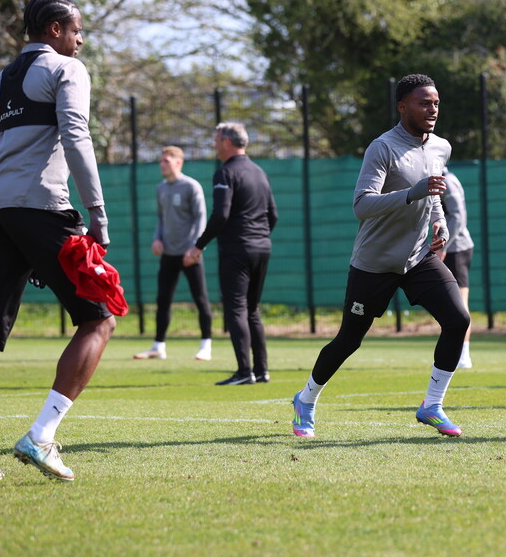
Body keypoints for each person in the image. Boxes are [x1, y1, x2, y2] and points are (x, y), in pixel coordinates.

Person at [0, 0, 116, 483]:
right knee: (100, 317)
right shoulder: (68, 69)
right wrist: (97, 210)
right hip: (41, 205)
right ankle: (41, 435)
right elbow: (76, 134)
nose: (81, 38)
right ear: (54, 29)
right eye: (76, 30)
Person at [290, 74, 470, 438]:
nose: (432, 109)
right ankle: (306, 399)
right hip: (375, 262)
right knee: (349, 340)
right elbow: (361, 205)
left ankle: (431, 405)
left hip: (418, 257)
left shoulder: (441, 147)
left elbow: (433, 192)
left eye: (435, 102)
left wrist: (440, 223)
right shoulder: (382, 147)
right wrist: (411, 192)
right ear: (402, 106)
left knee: (458, 319)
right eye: (423, 102)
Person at [184, 123, 277, 386]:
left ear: (226, 141)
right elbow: (274, 215)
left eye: (216, 139)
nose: (214, 145)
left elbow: (221, 215)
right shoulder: (259, 172)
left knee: (236, 309)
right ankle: (261, 371)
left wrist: (198, 245)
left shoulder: (225, 173)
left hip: (237, 249)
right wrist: (259, 237)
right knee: (252, 310)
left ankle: (244, 372)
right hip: (262, 247)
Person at [134, 146, 214, 361]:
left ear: (178, 163)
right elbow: (161, 218)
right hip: (168, 253)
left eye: (166, 161)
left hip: (189, 254)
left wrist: (195, 248)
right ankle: (158, 346)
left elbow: (201, 218)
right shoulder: (161, 188)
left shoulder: (191, 186)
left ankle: (206, 346)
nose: (162, 164)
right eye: (161, 161)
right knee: (163, 299)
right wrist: (157, 238)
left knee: (201, 299)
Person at [439, 167, 475, 368]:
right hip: (448, 248)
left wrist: (444, 244)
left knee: (460, 304)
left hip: (456, 249)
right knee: (449, 303)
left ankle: (463, 355)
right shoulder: (433, 179)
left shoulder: (448, 181)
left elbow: (458, 216)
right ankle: (456, 352)